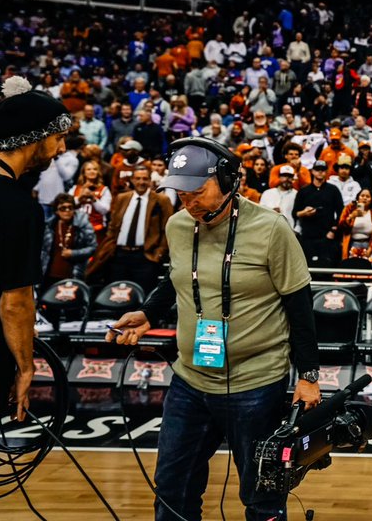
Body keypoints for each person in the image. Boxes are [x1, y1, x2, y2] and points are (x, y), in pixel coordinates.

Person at [106, 138, 320, 521]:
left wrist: (308, 377)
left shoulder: (271, 229)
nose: (188, 202)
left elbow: (299, 306)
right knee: (173, 489)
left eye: (196, 191)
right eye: (181, 193)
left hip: (255, 385)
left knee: (262, 497)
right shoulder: (177, 225)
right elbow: (176, 278)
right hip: (189, 381)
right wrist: (149, 313)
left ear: (228, 180)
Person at [0, 77, 71, 462]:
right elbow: (15, 302)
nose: (61, 148)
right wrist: (24, 366)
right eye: (57, 138)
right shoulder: (18, 209)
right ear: (34, 139)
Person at [87, 164, 174, 293]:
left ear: (150, 180)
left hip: (146, 257)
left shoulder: (162, 200)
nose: (141, 182)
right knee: (116, 296)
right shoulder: (122, 198)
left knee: (143, 297)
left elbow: (167, 229)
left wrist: (159, 253)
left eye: (145, 179)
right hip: (119, 255)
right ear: (132, 180)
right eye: (138, 178)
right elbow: (113, 225)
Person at [293, 160, 344, 268]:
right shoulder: (304, 191)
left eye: (323, 170)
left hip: (326, 236)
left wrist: (333, 230)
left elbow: (341, 212)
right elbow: (295, 213)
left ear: (326, 172)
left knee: (327, 266)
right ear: (312, 171)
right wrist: (304, 213)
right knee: (307, 267)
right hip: (308, 236)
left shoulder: (333, 190)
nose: (320, 172)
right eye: (317, 170)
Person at [41, 193, 98, 287]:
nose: (67, 211)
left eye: (70, 207)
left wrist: (73, 253)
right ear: (56, 211)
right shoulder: (49, 226)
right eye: (63, 208)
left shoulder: (82, 225)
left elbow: (93, 247)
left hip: (73, 275)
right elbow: (42, 251)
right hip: (49, 275)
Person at [338, 188, 372, 259]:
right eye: (362, 196)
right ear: (358, 198)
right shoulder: (349, 208)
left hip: (369, 245)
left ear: (371, 200)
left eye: (367, 196)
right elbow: (341, 227)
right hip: (351, 244)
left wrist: (370, 250)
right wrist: (351, 217)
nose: (364, 198)